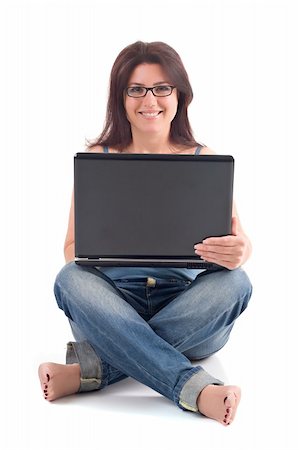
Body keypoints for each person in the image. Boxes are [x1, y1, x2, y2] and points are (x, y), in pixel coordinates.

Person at [38, 41, 252, 426]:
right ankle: (196, 390)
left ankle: (93, 370)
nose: (149, 100)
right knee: (69, 279)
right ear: (120, 98)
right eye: (136, 89)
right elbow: (71, 249)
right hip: (114, 307)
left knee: (236, 282)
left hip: (188, 307)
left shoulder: (204, 160)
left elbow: (241, 241)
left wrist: (239, 251)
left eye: (161, 88)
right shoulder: (99, 159)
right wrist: (105, 249)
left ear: (179, 95)